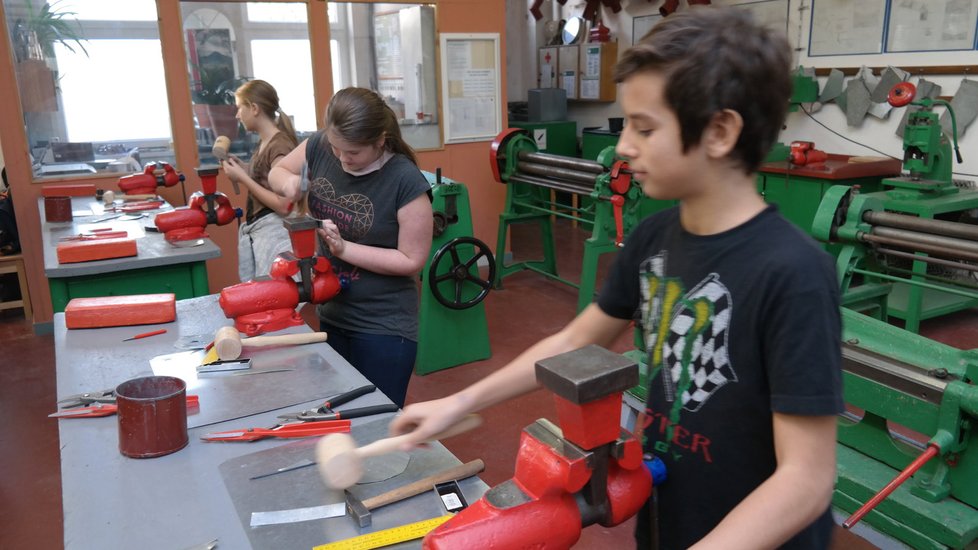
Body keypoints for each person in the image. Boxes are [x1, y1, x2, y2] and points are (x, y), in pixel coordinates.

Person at [391, 7, 843, 549]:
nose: (625, 146)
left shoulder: (793, 274)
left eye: (644, 128)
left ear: (720, 131)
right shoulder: (655, 241)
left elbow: (807, 479)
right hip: (669, 520)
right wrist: (458, 403)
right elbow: (574, 342)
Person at [268, 87, 433, 408]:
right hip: (332, 312)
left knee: (374, 424)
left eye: (353, 153)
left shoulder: (405, 181)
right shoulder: (319, 145)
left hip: (384, 327)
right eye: (335, 148)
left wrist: (343, 249)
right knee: (338, 417)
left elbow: (412, 260)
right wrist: (288, 183)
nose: (342, 159)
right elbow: (278, 170)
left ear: (380, 140)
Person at [222, 79, 299, 282]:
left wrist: (242, 178)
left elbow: (284, 205)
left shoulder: (279, 146)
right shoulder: (265, 143)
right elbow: (267, 179)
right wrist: (245, 169)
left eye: (240, 108)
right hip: (261, 231)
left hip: (276, 234)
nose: (238, 115)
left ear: (254, 108)